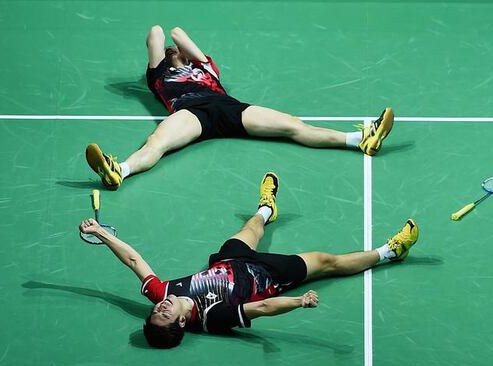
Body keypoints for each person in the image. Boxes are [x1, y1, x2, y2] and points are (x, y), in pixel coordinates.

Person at [78, 172, 418, 348]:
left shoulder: (162, 292)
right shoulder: (214, 317)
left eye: (155, 313)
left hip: (229, 259)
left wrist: (102, 234)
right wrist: (299, 301)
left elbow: (134, 261)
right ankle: (390, 252)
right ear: (181, 324)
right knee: (326, 260)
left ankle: (267, 208)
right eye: (164, 317)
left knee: (252, 225)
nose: (160, 309)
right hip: (266, 276)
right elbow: (263, 309)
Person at [85, 25, 395, 191]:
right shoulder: (158, 76)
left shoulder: (208, 69)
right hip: (190, 114)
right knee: (157, 144)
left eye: (175, 51)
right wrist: (167, 55)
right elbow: (157, 33)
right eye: (169, 52)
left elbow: (178, 33)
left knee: (291, 125)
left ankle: (360, 140)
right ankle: (119, 171)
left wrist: (181, 50)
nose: (172, 48)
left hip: (231, 109)